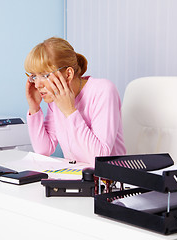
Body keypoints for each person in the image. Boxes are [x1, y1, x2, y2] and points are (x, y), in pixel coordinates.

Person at [24, 37, 126, 166]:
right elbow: (44, 150)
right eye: (34, 76)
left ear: (68, 74)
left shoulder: (103, 90)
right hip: (77, 177)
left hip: (110, 182)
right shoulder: (56, 99)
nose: (37, 85)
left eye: (44, 75)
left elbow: (99, 158)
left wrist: (70, 111)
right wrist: (34, 108)